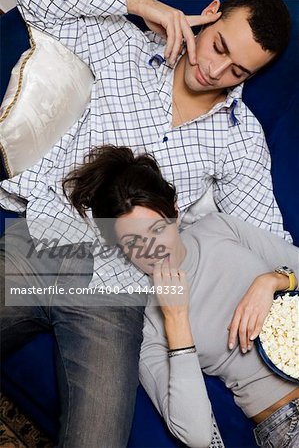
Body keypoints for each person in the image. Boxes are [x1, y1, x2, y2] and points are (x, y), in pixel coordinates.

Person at [0, 0, 294, 446]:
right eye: (218, 46)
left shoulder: (242, 140)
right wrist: (140, 5)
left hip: (119, 296)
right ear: (210, 15)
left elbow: (270, 237)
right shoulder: (124, 46)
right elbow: (36, 5)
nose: (216, 72)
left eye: (238, 71)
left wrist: (276, 278)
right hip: (47, 244)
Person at [63, 144, 299, 448]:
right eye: (134, 243)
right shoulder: (146, 320)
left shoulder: (218, 227)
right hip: (288, 418)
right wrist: (176, 320)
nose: (153, 250)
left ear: (174, 211)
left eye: (157, 229)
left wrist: (274, 280)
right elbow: (199, 436)